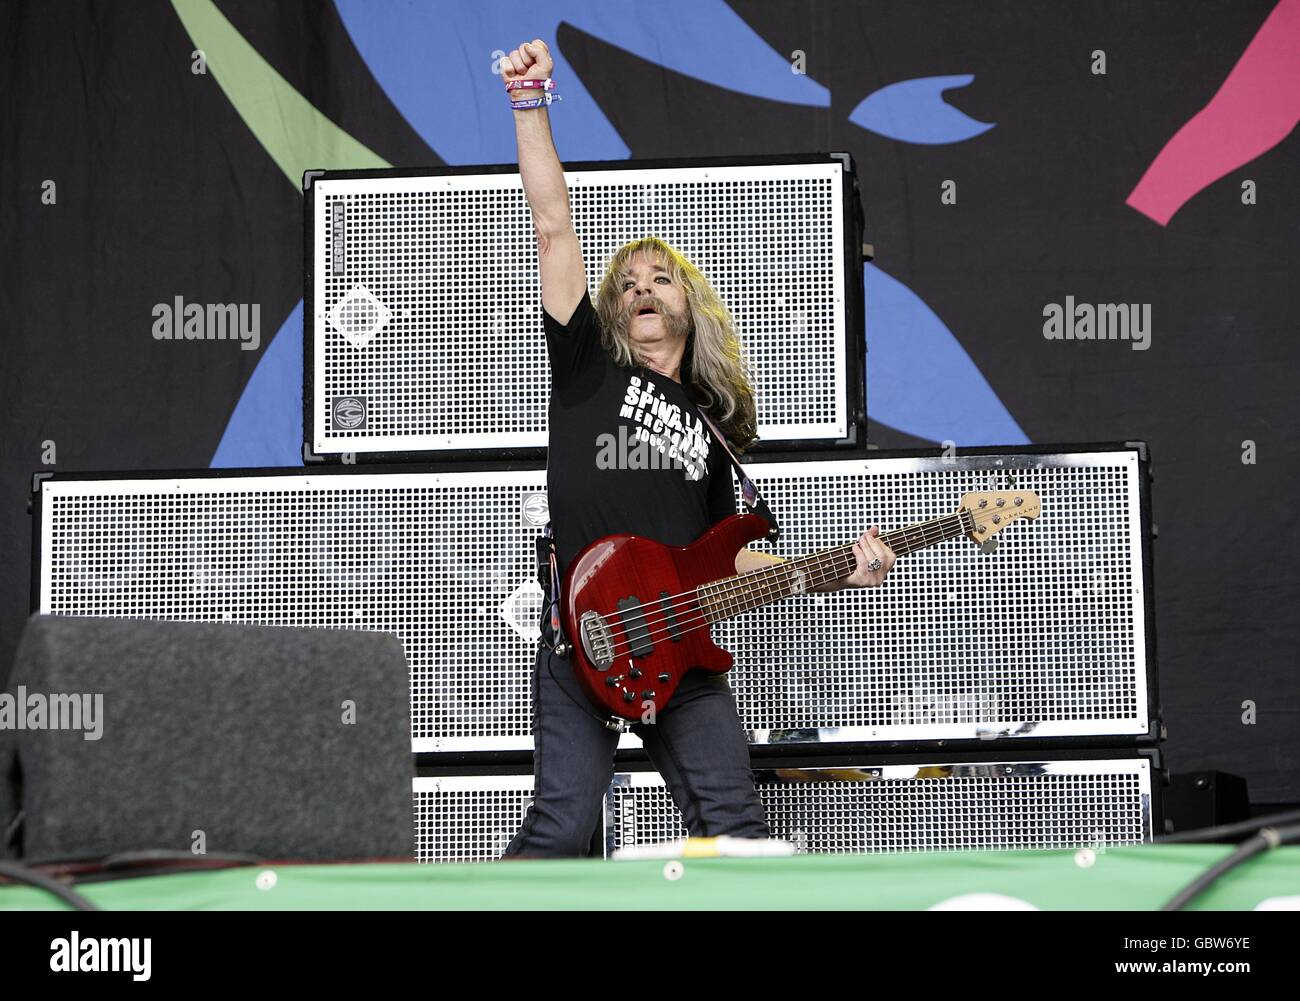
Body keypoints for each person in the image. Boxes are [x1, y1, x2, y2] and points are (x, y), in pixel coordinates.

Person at [499, 39, 896, 859]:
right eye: (629, 281)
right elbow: (552, 225)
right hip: (585, 643)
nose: (643, 285)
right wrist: (530, 100)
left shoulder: (715, 441)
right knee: (563, 829)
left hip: (684, 661)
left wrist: (836, 569)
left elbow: (741, 564)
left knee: (737, 832)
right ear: (612, 311)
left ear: (692, 305)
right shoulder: (587, 370)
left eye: (662, 277)